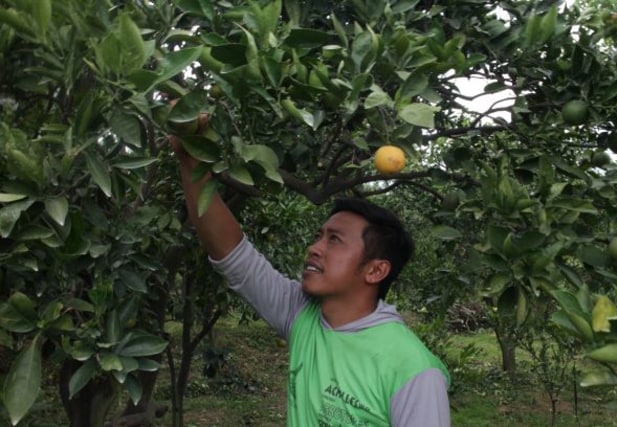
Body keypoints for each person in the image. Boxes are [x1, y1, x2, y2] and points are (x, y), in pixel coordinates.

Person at [171, 136, 451, 426]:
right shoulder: (302, 315)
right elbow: (232, 254)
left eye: (335, 241)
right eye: (319, 236)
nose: (314, 248)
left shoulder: (413, 370)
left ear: (375, 271)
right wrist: (190, 157)